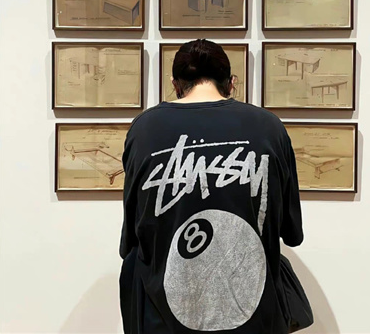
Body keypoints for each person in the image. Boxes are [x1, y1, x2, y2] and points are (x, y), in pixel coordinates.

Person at [119, 39, 312, 334]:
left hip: (163, 319)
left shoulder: (144, 129)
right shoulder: (269, 127)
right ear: (231, 83)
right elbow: (291, 231)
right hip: (254, 319)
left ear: (175, 84)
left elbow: (134, 236)